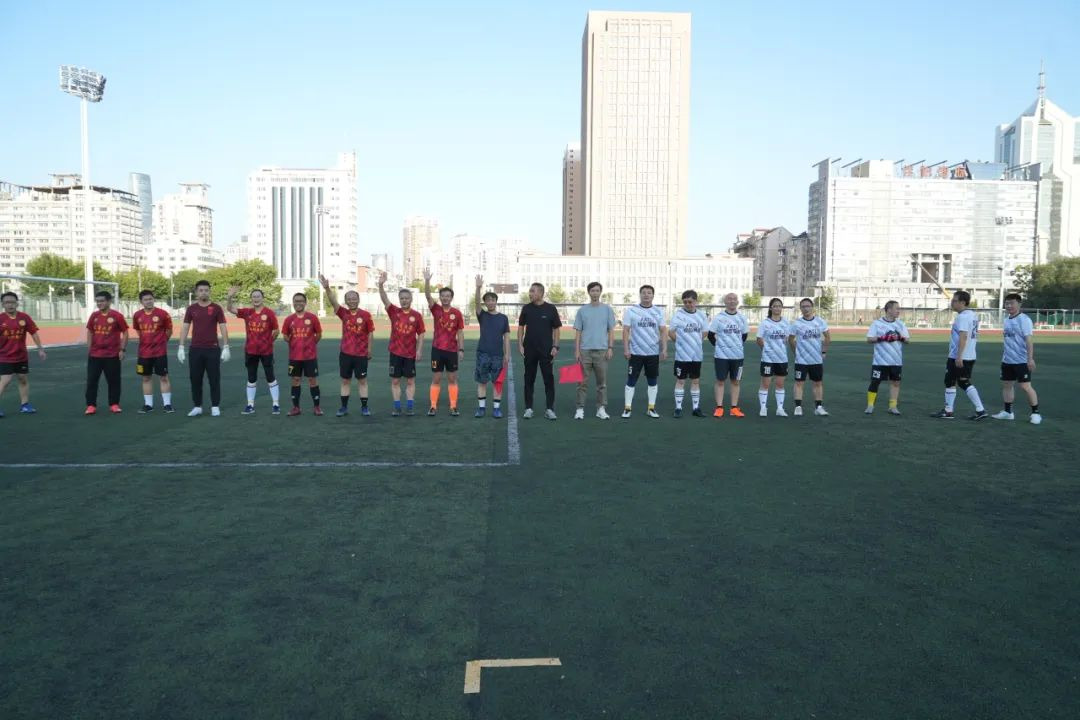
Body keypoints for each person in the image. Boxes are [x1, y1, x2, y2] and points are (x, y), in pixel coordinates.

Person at [320, 274, 374, 417]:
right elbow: (333, 302)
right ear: (346, 301)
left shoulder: (366, 315)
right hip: (345, 354)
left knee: (362, 381)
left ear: (358, 300)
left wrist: (369, 350)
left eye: (354, 298)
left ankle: (364, 407)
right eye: (349, 299)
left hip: (361, 354)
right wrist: (327, 288)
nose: (352, 300)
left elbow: (370, 333)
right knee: (345, 381)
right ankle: (343, 407)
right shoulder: (343, 313)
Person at [932, 290, 987, 420]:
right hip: (969, 355)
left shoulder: (963, 317)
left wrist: (959, 356)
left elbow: (963, 336)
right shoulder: (972, 315)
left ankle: (978, 410)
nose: (952, 303)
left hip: (960, 356)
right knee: (955, 381)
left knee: (959, 382)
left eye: (954, 300)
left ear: (963, 302)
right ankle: (950, 410)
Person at [178, 279, 230, 417]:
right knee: (195, 379)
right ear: (196, 292)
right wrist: (181, 346)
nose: (204, 292)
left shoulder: (216, 308)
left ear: (209, 292)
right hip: (195, 349)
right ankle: (197, 406)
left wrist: (226, 346)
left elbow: (223, 327)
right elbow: (185, 327)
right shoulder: (191, 309)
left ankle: (215, 406)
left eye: (206, 290)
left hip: (212, 349)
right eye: (201, 290)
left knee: (214, 378)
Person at [378, 272, 426, 416]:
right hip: (395, 352)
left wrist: (419, 350)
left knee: (410, 381)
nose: (404, 300)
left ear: (411, 299)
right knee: (395, 381)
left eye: (406, 298)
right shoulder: (394, 311)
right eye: (402, 298)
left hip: (410, 353)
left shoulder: (417, 316)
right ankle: (397, 407)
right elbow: (384, 299)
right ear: (399, 299)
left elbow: (421, 333)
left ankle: (410, 406)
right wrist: (380, 285)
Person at [227, 286, 280, 415]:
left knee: (270, 377)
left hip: (266, 351)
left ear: (262, 298)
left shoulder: (269, 313)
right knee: (251, 377)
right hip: (250, 351)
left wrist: (269, 342)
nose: (256, 298)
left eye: (258, 296)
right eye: (254, 296)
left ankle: (276, 404)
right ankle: (250, 405)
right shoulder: (247, 312)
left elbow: (276, 330)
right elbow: (230, 309)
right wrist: (229, 297)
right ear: (251, 299)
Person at [993, 293, 1041, 424]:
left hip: (1021, 361)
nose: (1009, 306)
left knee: (1025, 386)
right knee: (1007, 385)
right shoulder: (1007, 320)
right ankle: (1008, 412)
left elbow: (1028, 340)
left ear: (1019, 304)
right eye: (1007, 303)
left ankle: (1035, 413)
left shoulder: (1024, 320)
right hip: (1007, 360)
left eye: (1012, 303)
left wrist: (1030, 359)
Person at [423, 269, 465, 417]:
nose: (445, 298)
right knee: (436, 378)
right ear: (440, 297)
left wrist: (461, 349)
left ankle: (453, 406)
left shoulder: (457, 313)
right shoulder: (436, 309)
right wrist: (427, 281)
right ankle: (433, 406)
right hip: (437, 350)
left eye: (448, 296)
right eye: (443, 296)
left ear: (451, 298)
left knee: (452, 379)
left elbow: (460, 332)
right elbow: (427, 296)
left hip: (452, 350)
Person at [621, 284, 667, 419]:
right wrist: (626, 349)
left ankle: (651, 408)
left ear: (653, 295)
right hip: (635, 353)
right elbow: (626, 330)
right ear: (640, 294)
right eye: (644, 292)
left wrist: (664, 349)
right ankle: (627, 408)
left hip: (652, 353)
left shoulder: (658, 311)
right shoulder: (631, 311)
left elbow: (663, 331)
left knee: (652, 381)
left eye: (649, 293)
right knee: (631, 380)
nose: (646, 295)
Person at [517, 282, 562, 420]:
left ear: (541, 293)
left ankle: (550, 409)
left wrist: (555, 346)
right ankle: (528, 408)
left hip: (546, 351)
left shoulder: (551, 309)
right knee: (528, 379)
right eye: (530, 291)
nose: (530, 293)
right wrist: (520, 344)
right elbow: (521, 327)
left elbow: (556, 329)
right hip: (529, 349)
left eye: (533, 291)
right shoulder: (526, 308)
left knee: (548, 380)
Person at [572, 281, 616, 420]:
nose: (595, 293)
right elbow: (578, 331)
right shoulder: (582, 310)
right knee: (581, 382)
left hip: (602, 351)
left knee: (601, 383)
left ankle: (601, 409)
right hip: (585, 351)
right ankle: (580, 409)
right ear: (589, 292)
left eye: (597, 290)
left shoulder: (607, 309)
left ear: (600, 292)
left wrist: (610, 348)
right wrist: (577, 350)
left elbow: (611, 330)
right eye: (592, 290)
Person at [0, 291, 46, 417]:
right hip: (4, 356)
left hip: (21, 355)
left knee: (22, 379)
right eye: (7, 302)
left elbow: (34, 333)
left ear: (17, 303)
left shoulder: (24, 317)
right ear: (3, 304)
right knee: (5, 380)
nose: (10, 305)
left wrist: (40, 349)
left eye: (12, 302)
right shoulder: (1, 319)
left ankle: (25, 405)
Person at [85, 290, 129, 415]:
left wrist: (122, 349)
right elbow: (90, 331)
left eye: (102, 301)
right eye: (98, 301)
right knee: (91, 380)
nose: (100, 303)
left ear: (109, 301)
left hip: (112, 355)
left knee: (114, 381)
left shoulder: (117, 316)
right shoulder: (94, 316)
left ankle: (114, 404)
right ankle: (91, 405)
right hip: (95, 355)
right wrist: (89, 348)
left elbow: (125, 332)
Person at [131, 290, 174, 414]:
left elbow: (169, 330)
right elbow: (138, 331)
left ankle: (167, 404)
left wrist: (162, 341)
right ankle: (148, 405)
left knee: (164, 377)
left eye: (150, 299)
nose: (149, 301)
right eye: (146, 300)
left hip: (160, 352)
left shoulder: (163, 314)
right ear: (141, 302)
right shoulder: (137, 315)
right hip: (144, 353)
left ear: (153, 299)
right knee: (146, 378)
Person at [281, 292, 323, 416]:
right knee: (295, 380)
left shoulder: (312, 318)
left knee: (312, 380)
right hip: (294, 357)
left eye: (300, 301)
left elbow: (318, 334)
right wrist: (294, 343)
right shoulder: (289, 319)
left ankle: (317, 407)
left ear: (305, 303)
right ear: (293, 303)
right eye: (296, 301)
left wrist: (311, 344)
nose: (298, 303)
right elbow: (285, 335)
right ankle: (296, 408)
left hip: (310, 356)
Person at [667, 289, 709, 418]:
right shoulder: (678, 315)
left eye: (690, 302)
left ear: (696, 301)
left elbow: (705, 331)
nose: (687, 304)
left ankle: (696, 408)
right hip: (682, 355)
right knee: (681, 381)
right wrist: (680, 343)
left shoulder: (701, 315)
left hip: (696, 355)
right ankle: (678, 408)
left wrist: (696, 342)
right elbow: (671, 332)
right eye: (685, 302)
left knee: (695, 381)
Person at [707, 292, 749, 418]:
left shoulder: (742, 318)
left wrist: (736, 346)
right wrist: (720, 346)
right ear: (725, 302)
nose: (732, 301)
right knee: (720, 381)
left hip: (738, 356)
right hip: (721, 356)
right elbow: (710, 335)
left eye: (734, 299)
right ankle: (719, 407)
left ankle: (734, 408)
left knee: (736, 381)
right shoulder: (719, 318)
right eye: (729, 299)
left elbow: (744, 335)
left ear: (737, 302)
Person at [474, 275, 510, 418]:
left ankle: (496, 409)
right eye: (487, 300)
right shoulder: (482, 315)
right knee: (482, 382)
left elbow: (506, 337)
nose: (490, 302)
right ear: (485, 302)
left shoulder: (503, 318)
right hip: (482, 354)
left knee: (497, 382)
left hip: (498, 355)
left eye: (492, 300)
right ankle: (481, 408)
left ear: (496, 301)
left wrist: (507, 354)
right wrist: (478, 288)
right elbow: (476, 302)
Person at [865, 300, 910, 415]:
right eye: (896, 308)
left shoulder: (900, 324)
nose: (898, 311)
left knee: (895, 383)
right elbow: (869, 339)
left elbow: (907, 340)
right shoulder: (877, 323)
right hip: (879, 361)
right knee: (875, 382)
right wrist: (883, 338)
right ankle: (870, 405)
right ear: (889, 310)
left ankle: (892, 407)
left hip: (896, 361)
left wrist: (899, 337)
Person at [788, 297, 831, 417]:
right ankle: (798, 407)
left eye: (808, 306)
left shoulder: (820, 322)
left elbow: (827, 337)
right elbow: (791, 339)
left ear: (812, 307)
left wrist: (824, 351)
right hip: (801, 360)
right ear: (800, 309)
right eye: (803, 306)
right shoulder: (797, 323)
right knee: (799, 383)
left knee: (818, 383)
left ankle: (819, 407)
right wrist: (796, 352)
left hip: (816, 360)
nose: (806, 308)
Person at [755, 298, 790, 417]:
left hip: (782, 359)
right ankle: (763, 408)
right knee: (765, 384)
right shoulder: (765, 323)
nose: (777, 308)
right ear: (771, 308)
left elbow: (788, 338)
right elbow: (759, 339)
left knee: (780, 384)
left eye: (779, 306)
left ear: (782, 308)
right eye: (775, 306)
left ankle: (780, 409)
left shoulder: (786, 323)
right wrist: (766, 350)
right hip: (768, 359)